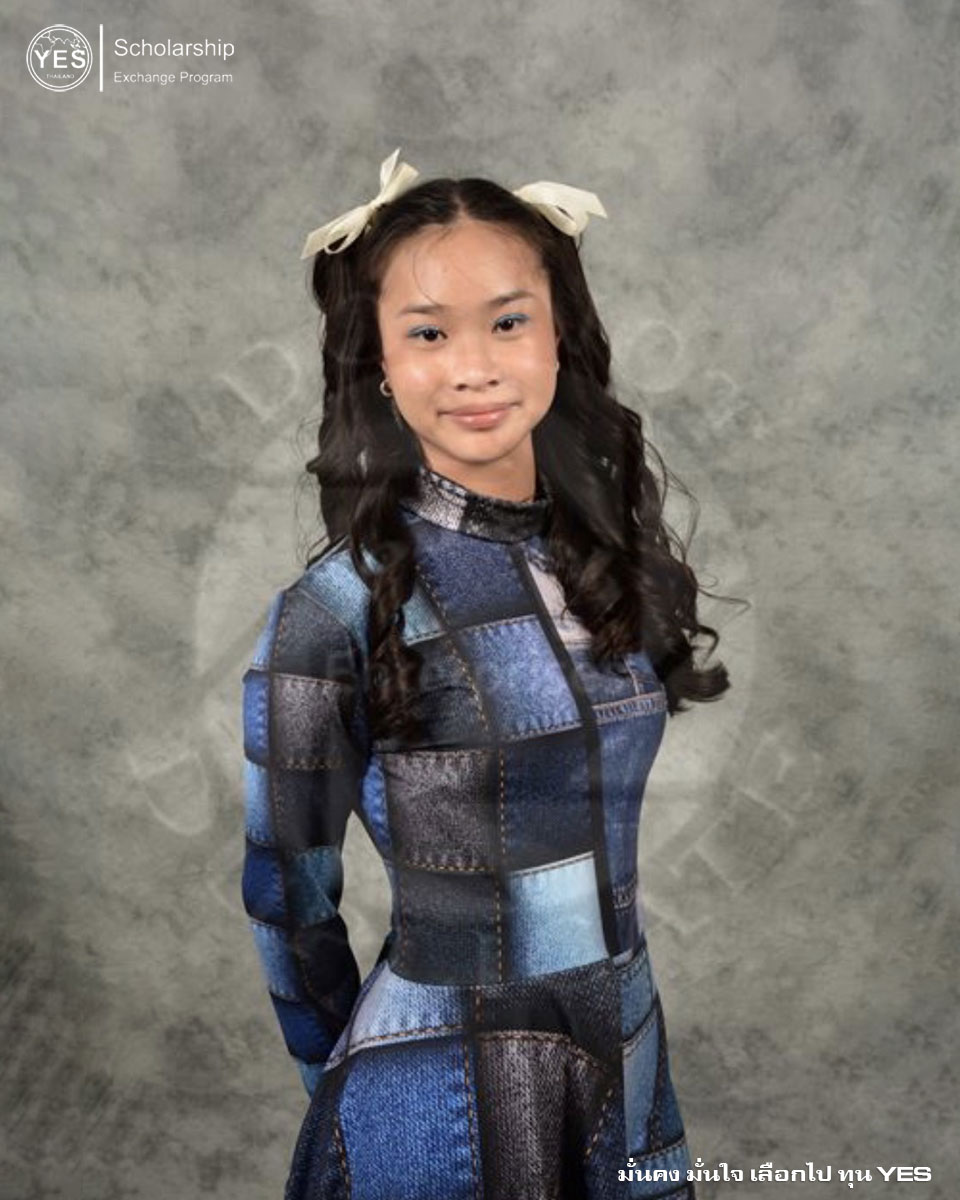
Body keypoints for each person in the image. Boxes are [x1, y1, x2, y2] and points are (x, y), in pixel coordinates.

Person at [241, 148, 731, 1200]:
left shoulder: (602, 564)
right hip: (435, 1097)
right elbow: (288, 899)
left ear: (560, 337)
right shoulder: (335, 607)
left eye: (509, 321)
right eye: (428, 332)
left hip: (625, 1053)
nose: (475, 366)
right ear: (378, 360)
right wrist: (368, 1083)